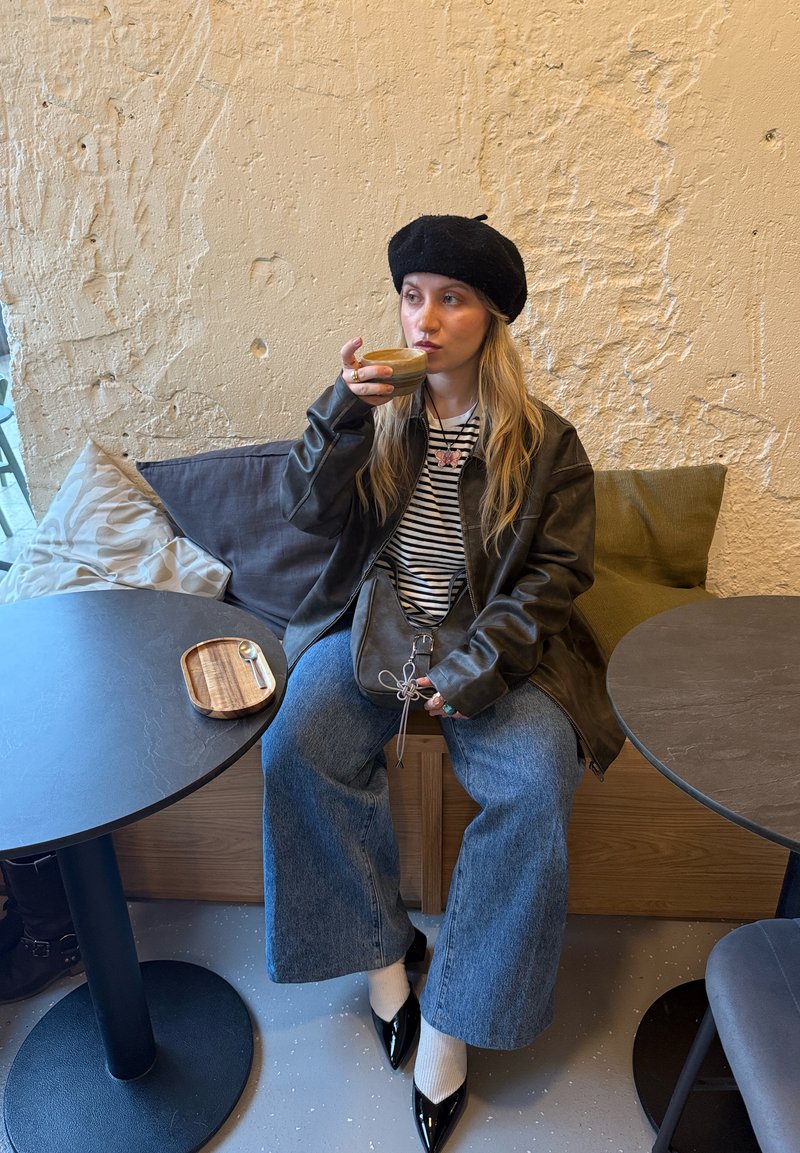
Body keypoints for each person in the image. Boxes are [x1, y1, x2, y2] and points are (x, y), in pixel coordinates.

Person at [261, 213, 624, 1151]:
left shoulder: (545, 443)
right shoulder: (378, 412)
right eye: (412, 295)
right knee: (297, 742)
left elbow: (555, 577)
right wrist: (341, 411)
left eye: (451, 299)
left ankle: (452, 1023)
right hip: (374, 626)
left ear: (491, 318)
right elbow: (301, 511)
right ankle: (385, 963)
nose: (424, 318)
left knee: (535, 781)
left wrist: (475, 668)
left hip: (495, 644)